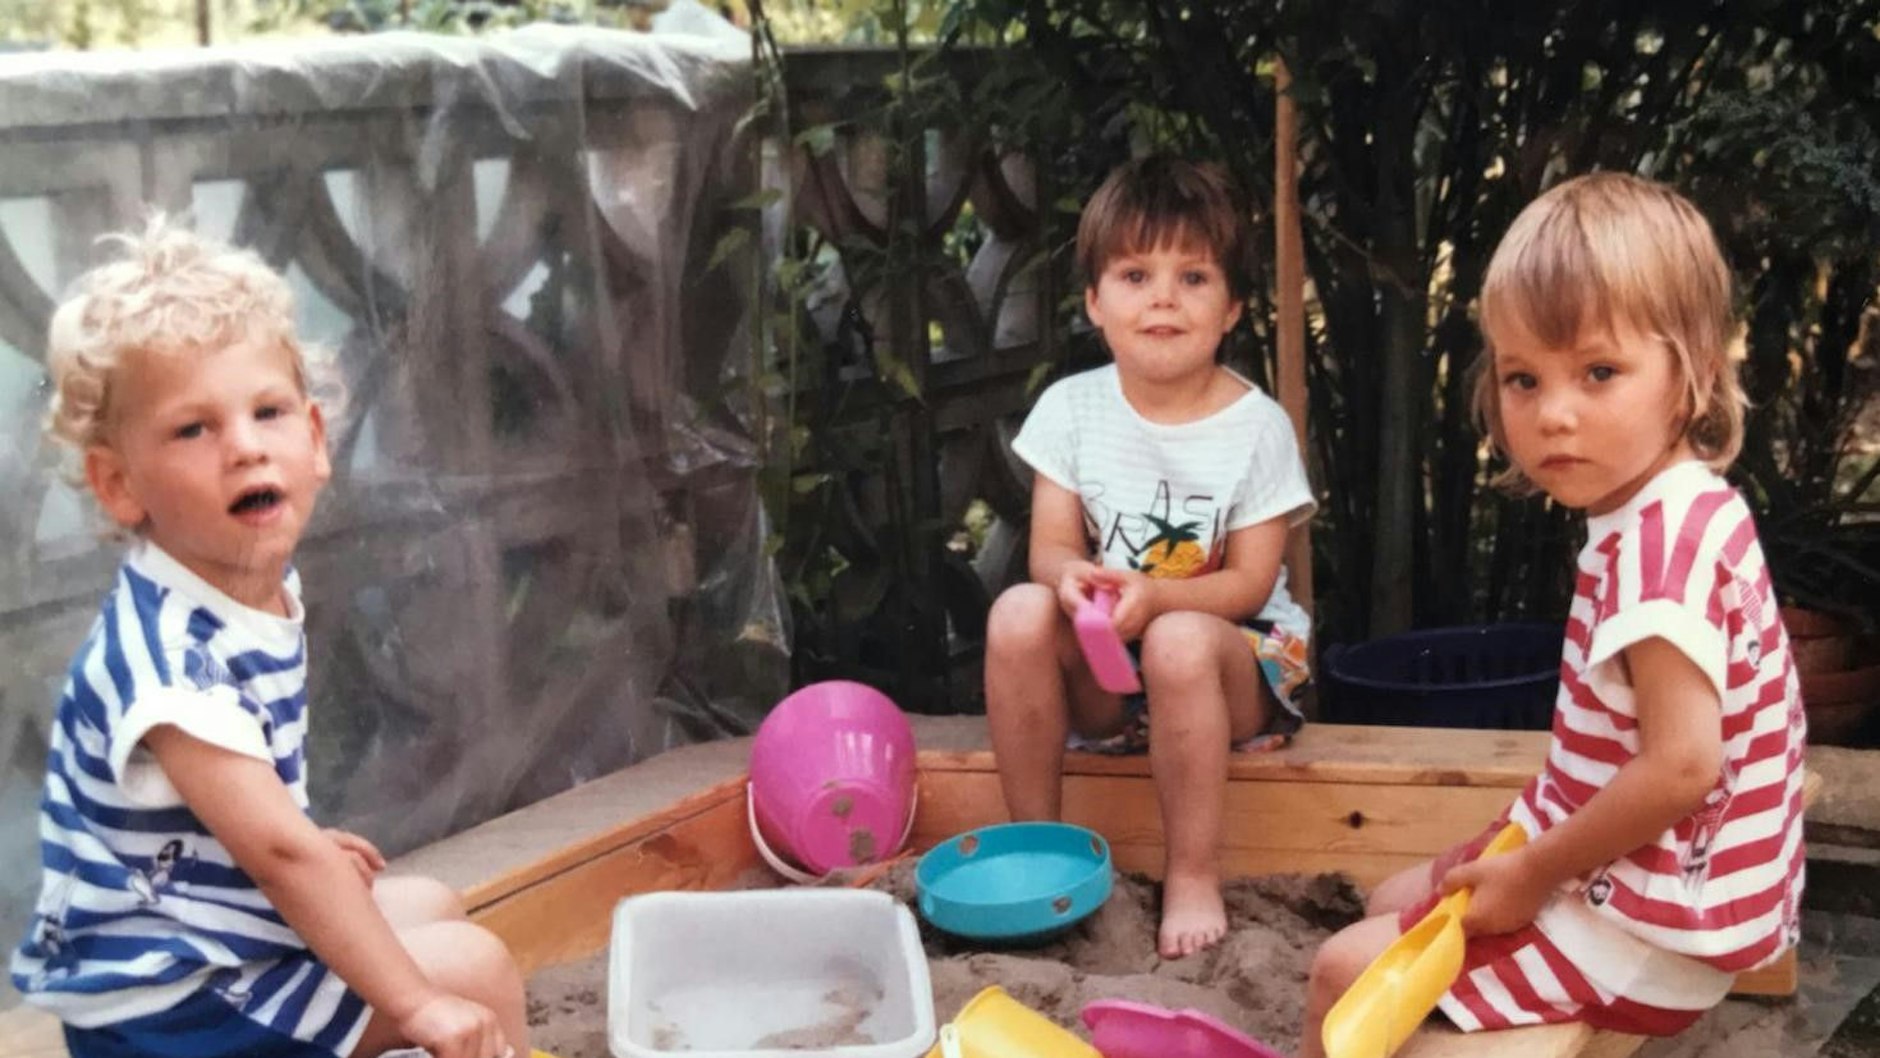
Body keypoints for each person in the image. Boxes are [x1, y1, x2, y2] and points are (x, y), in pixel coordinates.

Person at [1300, 173, 1807, 1055]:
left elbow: (1685, 766)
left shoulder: (1658, 558)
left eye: (1599, 373)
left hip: (1656, 926)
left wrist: (1534, 870)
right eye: (1523, 379)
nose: (1554, 415)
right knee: (1390, 905)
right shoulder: (1684, 505)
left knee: (1342, 973)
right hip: (1663, 881)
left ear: (1688, 373)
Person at [11, 217, 529, 1058]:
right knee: (467, 972)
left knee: (430, 907)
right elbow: (281, 855)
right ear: (118, 483)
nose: (245, 447)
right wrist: (422, 1005)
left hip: (198, 943)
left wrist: (302, 846)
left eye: (268, 411)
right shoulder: (168, 664)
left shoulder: (240, 590)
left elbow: (222, 815)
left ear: (316, 440)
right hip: (166, 1008)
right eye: (194, 429)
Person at [984, 156, 1317, 960]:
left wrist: (1156, 598)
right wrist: (1076, 582)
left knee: (1175, 641)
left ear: (1233, 306)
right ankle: (1038, 846)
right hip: (1114, 664)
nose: (1163, 296)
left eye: (1193, 276)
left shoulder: (1257, 425)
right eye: (1136, 274)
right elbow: (1051, 552)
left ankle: (1193, 873)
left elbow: (1246, 586)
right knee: (1018, 610)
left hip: (1234, 664)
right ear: (1096, 301)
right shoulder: (1070, 409)